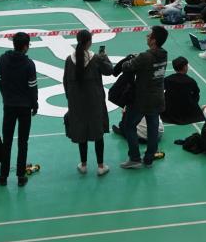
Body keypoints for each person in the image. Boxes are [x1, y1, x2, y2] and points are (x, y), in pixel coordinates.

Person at [63, 30, 113, 176]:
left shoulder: (69, 59)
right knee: (98, 133)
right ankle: (101, 166)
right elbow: (109, 70)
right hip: (95, 101)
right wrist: (104, 57)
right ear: (89, 42)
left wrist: (71, 100)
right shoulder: (95, 58)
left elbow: (65, 82)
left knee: (81, 132)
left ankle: (83, 165)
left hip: (76, 103)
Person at [119, 26, 169, 169]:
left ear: (153, 40)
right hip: (157, 98)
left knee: (129, 126)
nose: (146, 37)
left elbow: (126, 67)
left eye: (149, 35)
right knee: (152, 129)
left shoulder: (145, 56)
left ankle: (135, 158)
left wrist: (132, 59)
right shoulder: (164, 54)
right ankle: (149, 159)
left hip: (142, 99)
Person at [0, 31, 39, 186]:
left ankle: (3, 176)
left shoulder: (3, 59)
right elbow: (32, 87)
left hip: (8, 105)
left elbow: (0, 81)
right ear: (26, 46)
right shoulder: (29, 64)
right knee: (23, 142)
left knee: (7, 141)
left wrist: (6, 97)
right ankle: (21, 176)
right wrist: (34, 104)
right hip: (24, 107)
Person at [162, 56, 201, 125]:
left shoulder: (167, 79)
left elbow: (161, 91)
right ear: (185, 67)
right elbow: (196, 94)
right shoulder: (191, 81)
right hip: (187, 112)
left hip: (170, 110)